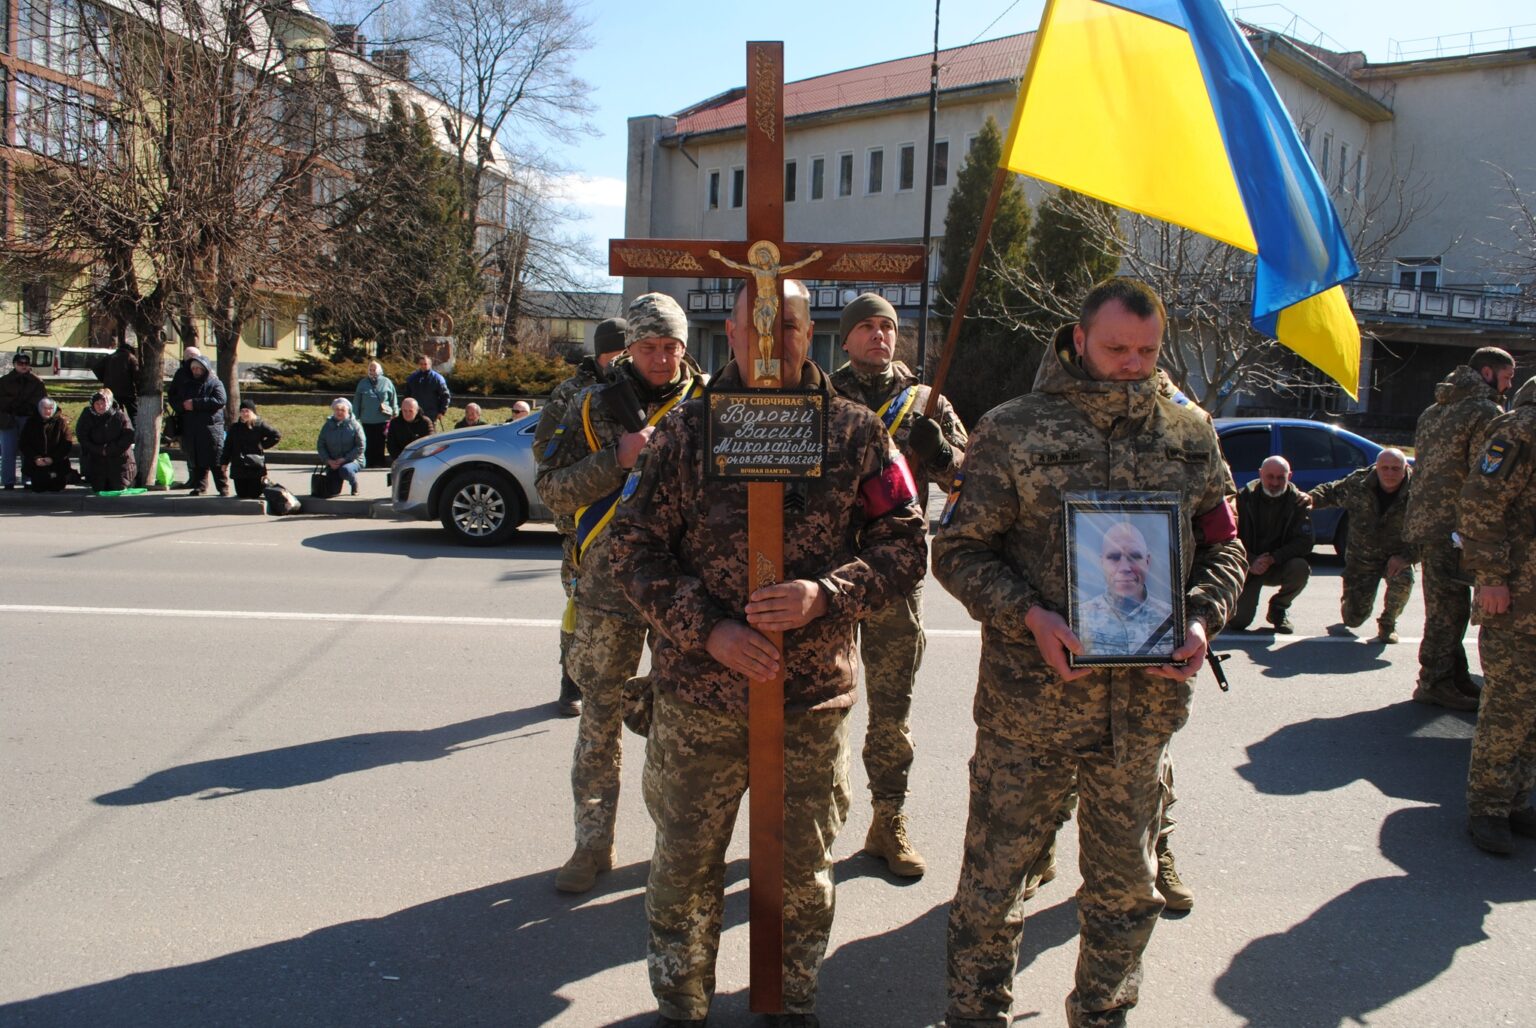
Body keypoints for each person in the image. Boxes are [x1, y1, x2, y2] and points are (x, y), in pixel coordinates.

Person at [609, 278, 927, 1027]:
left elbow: (907, 544)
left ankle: (790, 1004)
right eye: (758, 326)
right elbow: (632, 549)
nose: (772, 343)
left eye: (787, 327)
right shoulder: (686, 433)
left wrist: (828, 593)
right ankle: (680, 1004)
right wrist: (707, 629)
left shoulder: (853, 432)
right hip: (699, 697)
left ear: (809, 331)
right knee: (684, 867)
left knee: (801, 872)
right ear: (731, 327)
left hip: (809, 698)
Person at [932, 278, 1245, 1028]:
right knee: (992, 888)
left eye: (1147, 350)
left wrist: (1202, 619)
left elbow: (1225, 544)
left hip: (1139, 718)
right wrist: (1029, 616)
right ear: (1078, 340)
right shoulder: (1012, 430)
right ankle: (977, 1015)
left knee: (1124, 892)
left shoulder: (1189, 432)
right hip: (1028, 710)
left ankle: (1103, 1014)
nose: (1133, 364)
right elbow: (959, 551)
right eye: (1116, 349)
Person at [536, 293, 705, 895]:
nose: (661, 359)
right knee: (598, 719)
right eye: (648, 347)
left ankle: (673, 847)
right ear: (628, 349)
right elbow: (552, 489)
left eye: (671, 347)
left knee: (682, 725)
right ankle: (591, 843)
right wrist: (618, 458)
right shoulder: (587, 407)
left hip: (684, 592)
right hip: (608, 589)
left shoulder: (711, 405)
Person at [829, 292, 968, 878]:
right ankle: (818, 820)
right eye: (866, 327)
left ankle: (889, 819)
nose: (879, 336)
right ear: (844, 339)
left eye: (887, 327)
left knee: (891, 710)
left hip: (894, 575)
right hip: (828, 571)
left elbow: (968, 477)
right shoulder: (820, 396)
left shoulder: (925, 403)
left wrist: (940, 452)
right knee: (821, 706)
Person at [1404, 347, 1515, 712]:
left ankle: (1452, 676)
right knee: (1450, 610)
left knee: (1442, 605)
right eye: (1507, 376)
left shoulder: (1434, 409)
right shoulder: (1485, 412)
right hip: (1456, 524)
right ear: (1487, 372)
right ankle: (1435, 682)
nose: (1509, 384)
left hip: (1428, 522)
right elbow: (1483, 476)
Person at [1457, 376, 1536, 855]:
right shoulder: (1522, 429)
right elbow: (1480, 502)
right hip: (1517, 598)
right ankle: (1487, 807)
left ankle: (1516, 798)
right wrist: (1490, 577)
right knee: (1509, 704)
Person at [535, 316, 629, 718]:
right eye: (616, 353)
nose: (622, 360)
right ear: (602, 352)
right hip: (587, 526)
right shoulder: (572, 393)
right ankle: (569, 681)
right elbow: (546, 454)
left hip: (637, 524)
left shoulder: (649, 387)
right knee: (579, 609)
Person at [1307, 448, 1416, 643]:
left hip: (1396, 556)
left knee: (1404, 578)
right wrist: (1309, 499)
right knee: (1353, 619)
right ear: (1376, 467)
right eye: (1385, 468)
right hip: (1362, 558)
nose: (1390, 473)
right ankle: (1350, 604)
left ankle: (1388, 624)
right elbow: (1331, 491)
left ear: (1405, 468)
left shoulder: (1419, 491)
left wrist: (1408, 557)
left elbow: (1431, 531)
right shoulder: (1359, 483)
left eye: (1395, 468)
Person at [1230, 456, 1313, 633]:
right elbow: (1229, 537)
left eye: (1280, 477)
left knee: (1300, 568)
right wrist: (1251, 560)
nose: (1275, 482)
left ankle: (1278, 608)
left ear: (1289, 476)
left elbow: (1305, 542)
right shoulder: (1242, 499)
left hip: (1277, 564)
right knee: (1238, 623)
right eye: (1270, 476)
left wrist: (1274, 558)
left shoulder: (1298, 502)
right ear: (1260, 474)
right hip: (1249, 566)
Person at [1076, 521, 1176, 656]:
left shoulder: (1171, 618)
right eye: (1114, 557)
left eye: (1134, 557)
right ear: (1101, 563)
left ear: (1147, 562)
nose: (1124, 568)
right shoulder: (1079, 618)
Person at [178, 353, 229, 496]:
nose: (195, 371)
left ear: (205, 369)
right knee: (198, 459)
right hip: (193, 428)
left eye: (198, 368)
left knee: (215, 459)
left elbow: (220, 400)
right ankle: (200, 486)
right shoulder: (188, 384)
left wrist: (195, 404)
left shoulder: (215, 383)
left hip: (211, 428)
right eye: (193, 368)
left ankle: (223, 487)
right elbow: (180, 400)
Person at [0, 352, 48, 489]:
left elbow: (41, 401)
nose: (23, 366)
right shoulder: (4, 381)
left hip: (28, 419)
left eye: (26, 363)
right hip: (7, 419)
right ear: (14, 364)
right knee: (8, 452)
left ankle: (28, 478)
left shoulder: (37, 382)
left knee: (28, 451)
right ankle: (8, 481)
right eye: (20, 363)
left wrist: (31, 412)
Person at [219, 399, 283, 499]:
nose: (244, 413)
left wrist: (263, 445)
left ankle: (265, 484)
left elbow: (276, 435)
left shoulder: (259, 425)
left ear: (252, 412)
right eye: (242, 411)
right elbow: (228, 446)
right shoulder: (235, 428)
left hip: (255, 467)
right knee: (242, 495)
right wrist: (224, 462)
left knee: (254, 494)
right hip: (239, 467)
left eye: (247, 411)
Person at [75, 389, 137, 492]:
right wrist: (99, 449)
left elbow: (128, 436)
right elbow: (82, 437)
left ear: (109, 403)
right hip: (96, 458)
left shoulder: (119, 415)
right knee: (99, 488)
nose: (100, 406)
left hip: (118, 459)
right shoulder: (87, 415)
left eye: (103, 403)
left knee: (118, 487)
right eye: (97, 403)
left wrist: (109, 449)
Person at [19, 397, 73, 492]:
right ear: (40, 408)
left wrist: (53, 458)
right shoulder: (31, 422)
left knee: (57, 487)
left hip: (57, 462)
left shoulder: (61, 422)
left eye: (50, 408)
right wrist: (36, 458)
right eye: (45, 408)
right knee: (39, 487)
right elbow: (24, 443)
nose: (48, 411)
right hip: (37, 463)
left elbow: (66, 444)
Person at [316, 398, 366, 496]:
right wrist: (328, 461)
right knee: (332, 492)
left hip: (353, 460)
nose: (339, 412)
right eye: (337, 410)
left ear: (348, 411)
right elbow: (321, 445)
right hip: (333, 462)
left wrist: (345, 459)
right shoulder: (327, 426)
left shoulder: (355, 425)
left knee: (345, 470)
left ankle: (354, 483)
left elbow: (361, 446)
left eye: (342, 410)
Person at [353, 361, 398, 468]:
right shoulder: (363, 383)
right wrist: (354, 416)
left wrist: (395, 412)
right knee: (367, 441)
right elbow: (357, 401)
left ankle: (379, 462)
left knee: (380, 442)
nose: (372, 372)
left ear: (379, 370)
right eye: (370, 370)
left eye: (374, 369)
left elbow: (393, 399)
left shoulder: (387, 382)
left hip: (383, 418)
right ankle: (368, 462)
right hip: (367, 419)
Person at [94, 338, 141, 425]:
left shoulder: (109, 357)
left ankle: (118, 430)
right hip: (128, 392)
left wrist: (103, 379)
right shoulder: (131, 357)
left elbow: (96, 368)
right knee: (134, 414)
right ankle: (138, 433)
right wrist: (139, 389)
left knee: (115, 414)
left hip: (110, 392)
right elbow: (137, 376)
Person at [405, 354, 451, 425]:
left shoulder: (437, 379)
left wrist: (442, 412)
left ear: (430, 364)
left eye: (425, 364)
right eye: (421, 364)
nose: (423, 366)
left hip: (431, 415)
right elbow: (407, 396)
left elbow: (445, 396)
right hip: (415, 413)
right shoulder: (412, 378)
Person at [386, 397, 433, 464]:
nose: (407, 414)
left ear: (416, 411)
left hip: (421, 458)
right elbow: (391, 444)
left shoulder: (425, 422)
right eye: (404, 411)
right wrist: (400, 459)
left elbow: (429, 443)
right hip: (400, 458)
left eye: (411, 411)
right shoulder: (395, 423)